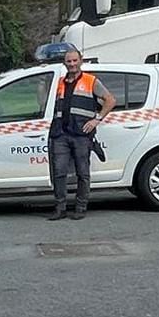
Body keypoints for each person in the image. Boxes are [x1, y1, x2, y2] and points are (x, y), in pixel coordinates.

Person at [47, 49, 116, 221]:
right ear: (64, 63)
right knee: (59, 172)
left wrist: (96, 120)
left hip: (81, 135)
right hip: (61, 134)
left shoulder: (90, 80)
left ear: (81, 61)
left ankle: (81, 207)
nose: (71, 64)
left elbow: (110, 100)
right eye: (68, 61)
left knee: (82, 173)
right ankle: (60, 207)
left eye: (74, 61)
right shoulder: (60, 82)